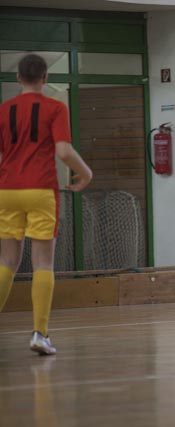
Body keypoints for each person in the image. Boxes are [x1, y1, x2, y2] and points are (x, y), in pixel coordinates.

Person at [0, 54, 93, 355]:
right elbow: (63, 151)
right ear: (45, 78)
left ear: (18, 78)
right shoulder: (55, 107)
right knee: (42, 263)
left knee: (7, 262)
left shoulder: (4, 110)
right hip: (40, 188)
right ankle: (40, 334)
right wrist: (86, 173)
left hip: (7, 190)